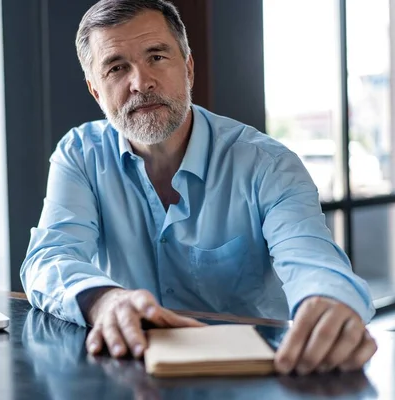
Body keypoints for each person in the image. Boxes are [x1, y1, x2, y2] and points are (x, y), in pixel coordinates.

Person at [20, 0, 377, 375]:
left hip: (253, 376)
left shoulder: (268, 165)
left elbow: (313, 260)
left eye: (156, 57)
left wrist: (329, 302)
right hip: (133, 372)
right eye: (116, 68)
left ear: (188, 69)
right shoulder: (80, 154)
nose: (141, 82)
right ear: (96, 91)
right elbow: (48, 257)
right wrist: (105, 301)